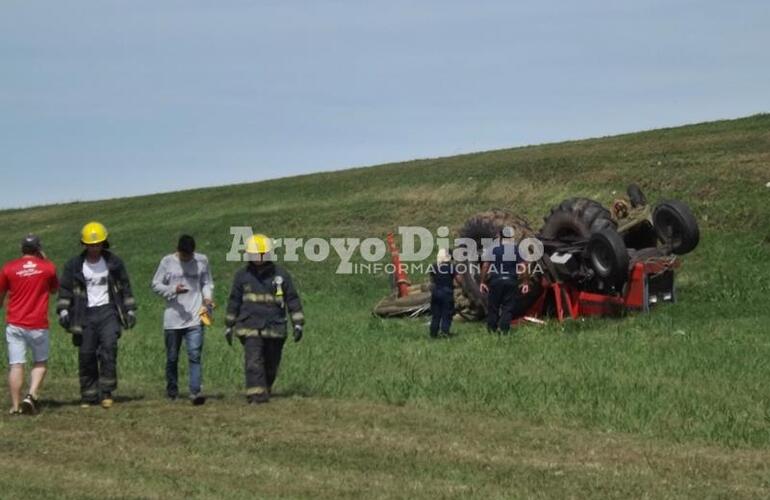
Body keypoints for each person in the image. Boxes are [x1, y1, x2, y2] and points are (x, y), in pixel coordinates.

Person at [57, 222, 137, 409]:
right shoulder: (74, 265)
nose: (94, 248)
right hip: (84, 313)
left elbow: (125, 286)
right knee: (86, 354)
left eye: (98, 244)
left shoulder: (114, 263)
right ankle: (88, 394)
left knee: (109, 349)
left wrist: (130, 309)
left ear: (104, 243)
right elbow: (65, 289)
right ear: (84, 244)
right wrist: (63, 310)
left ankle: (106, 392)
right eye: (90, 245)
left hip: (108, 311)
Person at [225, 234, 304, 404]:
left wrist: (298, 324)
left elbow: (292, 299)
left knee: (271, 364)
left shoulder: (281, 276)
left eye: (261, 255)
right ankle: (256, 396)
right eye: (254, 255)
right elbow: (234, 301)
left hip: (275, 327)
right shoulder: (242, 276)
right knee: (253, 361)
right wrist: (229, 325)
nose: (258, 259)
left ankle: (264, 388)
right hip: (249, 326)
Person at [151, 235, 213, 405]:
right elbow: (155, 284)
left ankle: (195, 391)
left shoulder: (202, 261)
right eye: (185, 255)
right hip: (173, 319)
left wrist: (207, 298)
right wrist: (172, 290)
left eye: (190, 255)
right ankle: (172, 390)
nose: (188, 258)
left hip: (195, 317)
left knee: (194, 355)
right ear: (178, 250)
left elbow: (207, 282)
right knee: (172, 357)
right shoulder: (167, 262)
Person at [0, 235, 58, 415]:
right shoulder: (48, 267)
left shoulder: (9, 268)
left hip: (15, 323)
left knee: (16, 364)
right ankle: (31, 395)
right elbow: (54, 289)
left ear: (22, 249)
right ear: (38, 249)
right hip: (38, 323)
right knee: (40, 362)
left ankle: (16, 405)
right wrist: (45, 260)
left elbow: (1, 293)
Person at [479, 227, 528, 334]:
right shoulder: (516, 249)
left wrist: (482, 282)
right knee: (508, 307)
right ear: (511, 237)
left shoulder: (493, 249)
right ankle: (504, 330)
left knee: (493, 307)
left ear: (500, 236)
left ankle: (492, 330)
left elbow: (485, 265)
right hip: (511, 281)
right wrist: (525, 282)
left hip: (496, 281)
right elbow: (523, 266)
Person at [428, 248, 461, 338]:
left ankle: (433, 333)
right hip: (447, 293)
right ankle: (445, 332)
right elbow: (459, 280)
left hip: (436, 293)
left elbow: (431, 281)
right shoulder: (451, 267)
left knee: (436, 314)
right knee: (447, 314)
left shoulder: (434, 266)